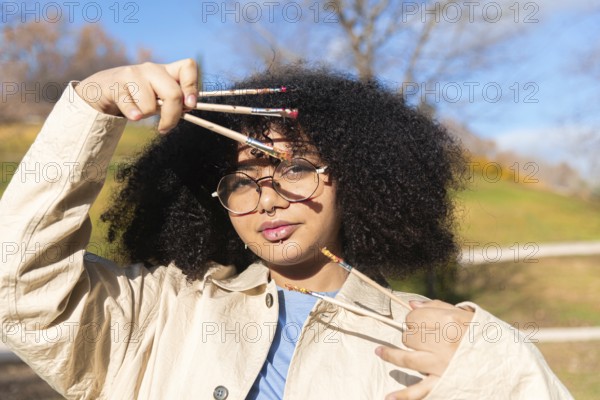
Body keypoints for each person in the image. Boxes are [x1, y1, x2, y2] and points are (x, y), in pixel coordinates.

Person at [0, 59, 571, 400]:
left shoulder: (432, 337)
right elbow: (18, 282)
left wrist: (494, 370)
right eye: (243, 181)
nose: (268, 198)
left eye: (296, 168)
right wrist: (89, 108)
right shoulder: (155, 313)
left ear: (358, 180)